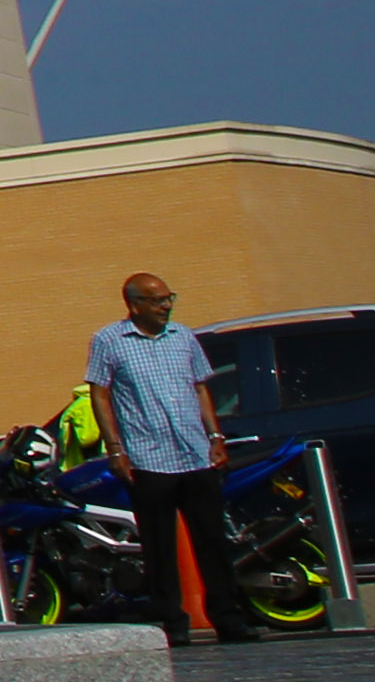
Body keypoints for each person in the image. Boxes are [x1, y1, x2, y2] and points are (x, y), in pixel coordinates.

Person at [86, 270, 258, 647]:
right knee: (159, 546)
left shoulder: (184, 337)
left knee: (212, 541)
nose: (166, 306)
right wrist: (115, 448)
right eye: (158, 300)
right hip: (148, 458)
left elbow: (200, 388)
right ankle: (171, 622)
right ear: (135, 305)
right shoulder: (110, 340)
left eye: (169, 298)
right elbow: (100, 393)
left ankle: (229, 619)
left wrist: (215, 438)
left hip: (195, 453)